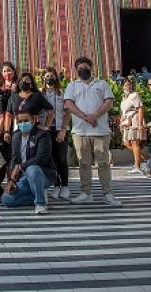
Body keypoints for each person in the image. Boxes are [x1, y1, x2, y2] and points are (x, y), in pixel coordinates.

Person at [64, 56, 121, 207]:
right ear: (76, 71)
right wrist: (85, 116)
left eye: (86, 68)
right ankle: (86, 193)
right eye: (80, 69)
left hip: (100, 131)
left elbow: (109, 102)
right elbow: (68, 104)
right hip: (80, 131)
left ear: (91, 68)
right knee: (84, 163)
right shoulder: (72, 86)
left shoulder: (101, 84)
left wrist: (95, 116)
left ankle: (108, 194)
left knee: (103, 164)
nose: (83, 71)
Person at [1, 110, 56, 214]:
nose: (23, 123)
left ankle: (40, 204)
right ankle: (37, 195)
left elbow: (41, 158)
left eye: (26, 120)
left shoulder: (42, 135)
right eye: (20, 121)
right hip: (24, 176)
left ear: (33, 120)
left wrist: (20, 167)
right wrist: (11, 180)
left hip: (43, 173)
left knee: (32, 169)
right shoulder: (16, 136)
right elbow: (14, 159)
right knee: (6, 199)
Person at [41, 67, 70, 200]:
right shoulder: (40, 93)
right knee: (51, 159)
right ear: (43, 78)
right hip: (46, 130)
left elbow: (67, 112)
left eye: (52, 76)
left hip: (60, 129)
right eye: (47, 76)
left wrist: (63, 129)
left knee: (62, 159)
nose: (49, 78)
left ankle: (64, 185)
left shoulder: (62, 93)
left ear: (56, 78)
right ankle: (56, 185)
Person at [119, 78, 147, 173]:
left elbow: (140, 108)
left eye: (130, 84)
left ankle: (137, 166)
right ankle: (143, 157)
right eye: (126, 85)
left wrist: (140, 124)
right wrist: (121, 122)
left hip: (134, 120)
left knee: (135, 142)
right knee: (126, 143)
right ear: (122, 86)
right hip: (127, 122)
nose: (129, 86)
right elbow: (124, 111)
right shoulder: (124, 97)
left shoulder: (134, 95)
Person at [0, 61, 18, 146]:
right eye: (4, 71)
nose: (7, 73)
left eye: (9, 70)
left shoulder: (17, 85)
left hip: (12, 117)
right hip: (0, 119)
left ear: (14, 72)